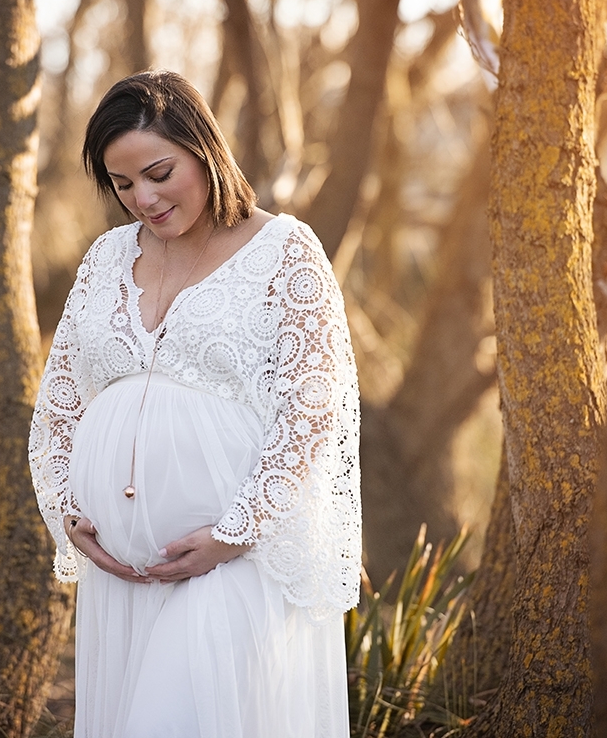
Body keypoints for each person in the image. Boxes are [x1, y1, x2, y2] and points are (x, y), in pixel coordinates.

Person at [28, 70, 361, 738]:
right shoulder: (104, 259)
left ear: (204, 150)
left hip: (235, 558)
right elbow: (59, 401)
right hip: (120, 575)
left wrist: (232, 533)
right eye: (122, 184)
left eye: (157, 172)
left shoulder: (285, 251)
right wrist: (67, 503)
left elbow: (312, 412)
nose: (142, 199)